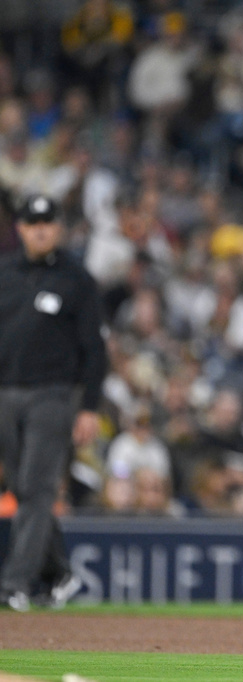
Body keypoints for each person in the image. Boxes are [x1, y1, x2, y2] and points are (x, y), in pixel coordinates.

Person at [0, 195, 108, 611]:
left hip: (53, 394)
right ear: (21, 228)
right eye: (33, 222)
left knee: (37, 487)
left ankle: (15, 583)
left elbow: (94, 350)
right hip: (6, 391)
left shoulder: (77, 279)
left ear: (58, 228)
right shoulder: (4, 272)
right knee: (23, 488)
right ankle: (58, 570)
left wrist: (89, 407)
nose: (41, 228)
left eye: (48, 221)